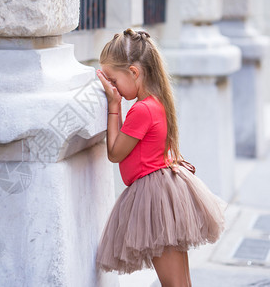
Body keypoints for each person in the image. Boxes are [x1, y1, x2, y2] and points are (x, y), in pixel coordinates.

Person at [95, 28, 226, 287]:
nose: (113, 87)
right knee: (181, 281)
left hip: (155, 198)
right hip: (165, 193)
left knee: (174, 283)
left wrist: (113, 105)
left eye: (113, 80)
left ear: (134, 72)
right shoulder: (156, 102)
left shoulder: (142, 110)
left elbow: (115, 152)